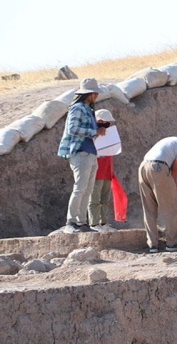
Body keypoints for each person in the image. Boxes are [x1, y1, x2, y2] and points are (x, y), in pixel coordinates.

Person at [138, 131, 177, 253]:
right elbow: (175, 168)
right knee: (169, 208)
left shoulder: (173, 140)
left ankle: (152, 245)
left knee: (149, 209)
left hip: (143, 168)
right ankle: (172, 243)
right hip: (158, 168)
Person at [57, 78, 106, 234]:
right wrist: (94, 131)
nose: (97, 96)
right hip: (80, 152)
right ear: (89, 94)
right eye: (95, 93)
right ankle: (70, 222)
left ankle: (82, 222)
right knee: (79, 188)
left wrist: (97, 127)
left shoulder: (87, 109)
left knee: (87, 189)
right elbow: (72, 129)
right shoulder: (78, 108)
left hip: (90, 153)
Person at [88, 109, 119, 232]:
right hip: (96, 172)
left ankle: (103, 222)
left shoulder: (108, 135)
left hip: (107, 172)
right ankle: (94, 223)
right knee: (94, 199)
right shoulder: (92, 135)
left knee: (105, 199)